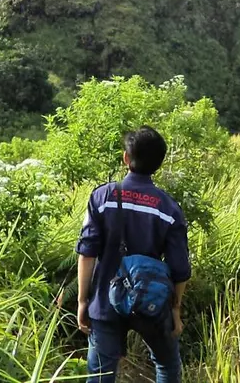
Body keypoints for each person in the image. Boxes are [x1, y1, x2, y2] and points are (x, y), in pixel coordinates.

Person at [75, 126, 191, 383]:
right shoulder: (169, 208)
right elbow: (180, 268)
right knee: (168, 366)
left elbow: (86, 253)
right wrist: (175, 310)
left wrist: (83, 301)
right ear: (158, 165)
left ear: (126, 158)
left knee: (101, 375)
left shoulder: (102, 197)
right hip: (152, 301)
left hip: (105, 300)